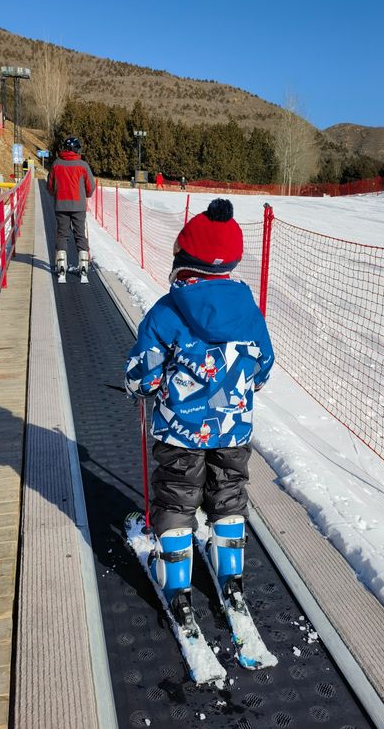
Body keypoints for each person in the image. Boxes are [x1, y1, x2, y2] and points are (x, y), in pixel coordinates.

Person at [124, 198, 274, 620]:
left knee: (176, 498)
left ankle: (177, 586)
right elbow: (262, 365)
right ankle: (232, 580)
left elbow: (145, 372)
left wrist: (139, 385)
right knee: (228, 495)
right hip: (233, 430)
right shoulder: (249, 310)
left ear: (185, 258)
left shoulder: (168, 311)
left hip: (179, 431)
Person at [47, 136, 95, 282]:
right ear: (76, 149)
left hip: (61, 204)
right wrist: (84, 195)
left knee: (62, 235)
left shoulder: (56, 164)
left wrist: (56, 194)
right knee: (80, 234)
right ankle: (84, 267)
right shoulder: (82, 165)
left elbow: (49, 185)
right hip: (78, 205)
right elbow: (90, 187)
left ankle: (61, 267)